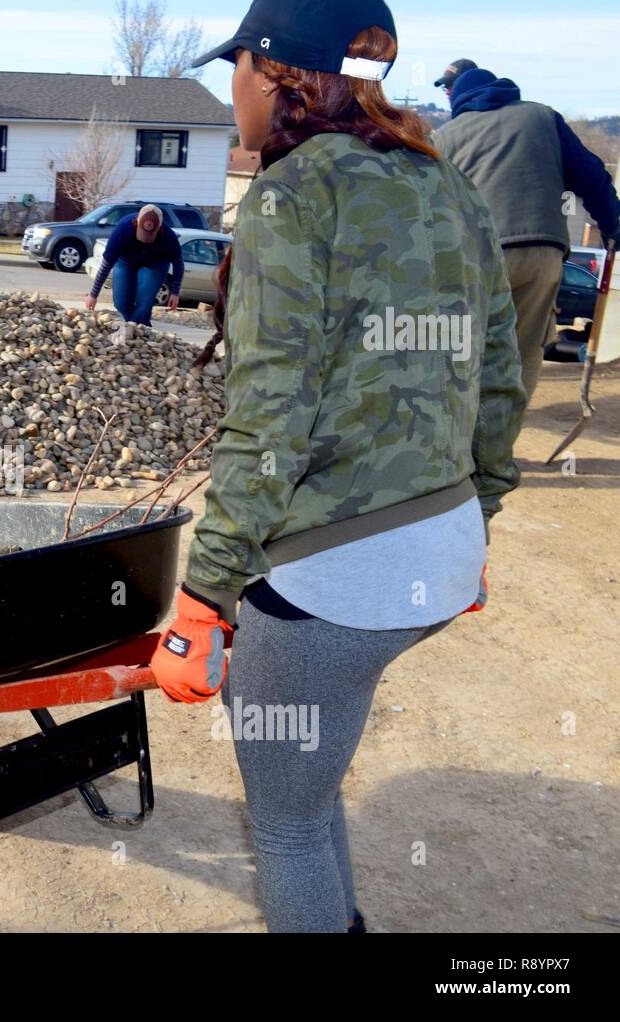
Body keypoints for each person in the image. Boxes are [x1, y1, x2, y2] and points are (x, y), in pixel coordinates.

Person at [152, 0, 526, 933]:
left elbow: (269, 416)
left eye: (235, 65)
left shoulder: (291, 192)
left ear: (279, 75)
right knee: (310, 799)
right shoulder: (444, 183)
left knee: (283, 824)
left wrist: (205, 596)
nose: (229, 87)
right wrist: (475, 518)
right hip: (434, 553)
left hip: (334, 575)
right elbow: (500, 376)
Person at [433, 66, 620, 401]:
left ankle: (459, 442)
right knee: (522, 353)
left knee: (463, 352)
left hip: (477, 256)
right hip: (543, 252)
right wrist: (612, 226)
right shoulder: (543, 118)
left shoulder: (446, 136)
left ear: (459, 98)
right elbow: (593, 176)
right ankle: (499, 448)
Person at [83, 205, 184, 324]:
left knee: (144, 305)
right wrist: (93, 295)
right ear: (136, 222)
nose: (145, 241)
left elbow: (178, 264)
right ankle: (138, 327)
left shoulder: (168, 237)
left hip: (155, 264)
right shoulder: (122, 230)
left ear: (160, 227)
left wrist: (175, 292)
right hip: (125, 261)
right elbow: (106, 265)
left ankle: (138, 330)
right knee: (121, 303)